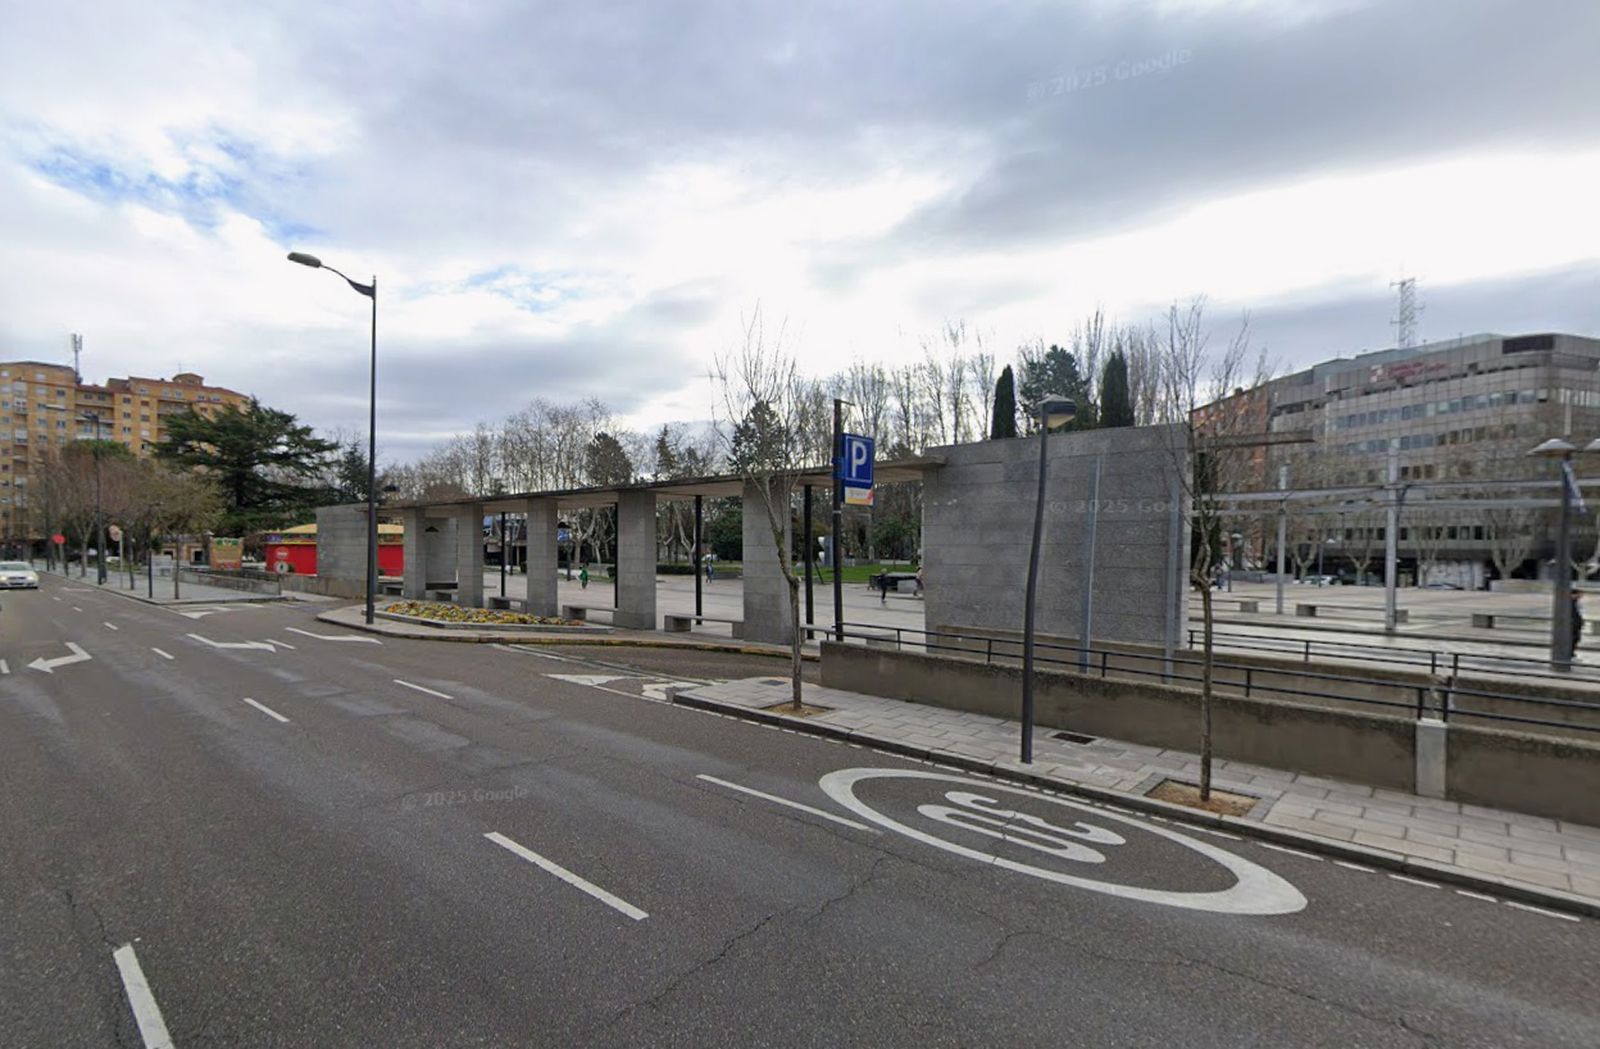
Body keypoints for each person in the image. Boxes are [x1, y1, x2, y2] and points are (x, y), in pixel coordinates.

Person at [1572, 590, 1584, 660]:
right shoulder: (1570, 603)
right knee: (1573, 639)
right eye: (1579, 594)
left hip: (1576, 625)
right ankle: (1570, 655)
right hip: (1573, 625)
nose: (1581, 596)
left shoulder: (1576, 602)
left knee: (1576, 639)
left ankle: (1572, 654)